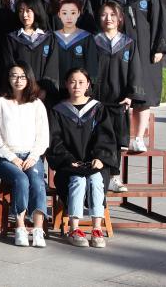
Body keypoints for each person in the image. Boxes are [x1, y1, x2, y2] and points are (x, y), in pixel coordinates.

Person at [108, 0, 166, 152]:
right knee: (119, 92)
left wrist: (160, 48)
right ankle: (121, 137)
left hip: (144, 51)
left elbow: (159, 21)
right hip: (118, 51)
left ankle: (138, 138)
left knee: (142, 94)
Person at [48, 68, 118, 248]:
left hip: (95, 164)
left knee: (95, 179)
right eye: (72, 81)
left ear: (88, 84)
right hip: (69, 165)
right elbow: (55, 140)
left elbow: (105, 137)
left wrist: (100, 158)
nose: (76, 86)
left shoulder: (97, 108)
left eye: (81, 82)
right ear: (66, 84)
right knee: (77, 180)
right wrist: (67, 159)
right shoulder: (58, 110)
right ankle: (74, 229)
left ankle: (97, 229)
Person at [0, 62, 49, 248]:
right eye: (14, 76)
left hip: (31, 156)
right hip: (7, 158)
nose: (18, 80)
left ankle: (38, 229)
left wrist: (33, 156)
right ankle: (20, 226)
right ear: (8, 78)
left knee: (37, 181)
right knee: (21, 179)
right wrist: (12, 157)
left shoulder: (36, 104)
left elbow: (43, 136)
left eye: (22, 76)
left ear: (29, 79)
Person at [94, 0, 146, 193]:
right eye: (104, 14)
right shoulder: (93, 42)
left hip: (119, 101)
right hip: (97, 101)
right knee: (95, 139)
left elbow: (135, 71)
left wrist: (131, 95)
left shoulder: (128, 44)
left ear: (120, 18)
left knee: (116, 141)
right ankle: (96, 177)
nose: (108, 18)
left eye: (112, 15)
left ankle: (114, 177)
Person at [0, 0, 60, 103]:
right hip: (19, 93)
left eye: (28, 11)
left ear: (36, 11)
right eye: (21, 11)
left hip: (43, 96)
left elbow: (52, 66)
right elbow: (9, 65)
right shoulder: (11, 39)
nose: (24, 15)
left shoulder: (49, 38)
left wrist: (44, 90)